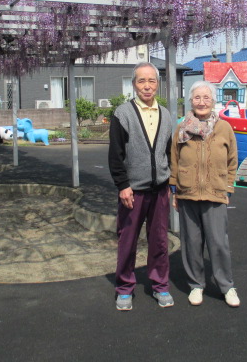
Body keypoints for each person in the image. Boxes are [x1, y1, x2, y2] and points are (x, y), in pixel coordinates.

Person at [108, 62, 174, 311]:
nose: (147, 86)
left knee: (159, 240)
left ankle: (160, 285)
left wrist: (171, 183)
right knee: (128, 240)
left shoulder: (165, 114)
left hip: (160, 190)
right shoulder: (123, 113)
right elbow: (115, 154)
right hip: (132, 191)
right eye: (141, 81)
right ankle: (125, 288)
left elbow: (169, 152)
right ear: (134, 84)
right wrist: (122, 185)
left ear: (158, 84)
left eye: (152, 81)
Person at [169, 80, 240, 307]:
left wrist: (228, 187)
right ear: (191, 101)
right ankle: (196, 285)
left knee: (218, 243)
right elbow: (174, 160)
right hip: (187, 193)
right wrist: (174, 191)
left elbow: (232, 161)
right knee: (191, 242)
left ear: (213, 101)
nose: (201, 102)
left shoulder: (224, 128)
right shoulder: (182, 128)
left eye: (206, 97)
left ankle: (226, 286)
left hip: (215, 192)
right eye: (197, 98)